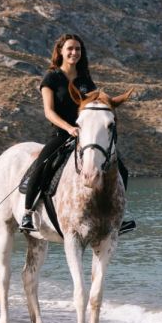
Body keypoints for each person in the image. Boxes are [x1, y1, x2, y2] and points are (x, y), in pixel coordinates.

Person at [20, 33, 134, 234]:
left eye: (78, 49)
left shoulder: (85, 81)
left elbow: (94, 106)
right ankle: (28, 213)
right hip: (63, 133)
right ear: (61, 51)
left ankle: (119, 217)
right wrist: (69, 128)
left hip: (86, 136)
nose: (74, 52)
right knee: (43, 164)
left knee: (121, 168)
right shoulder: (51, 78)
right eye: (70, 48)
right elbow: (49, 111)